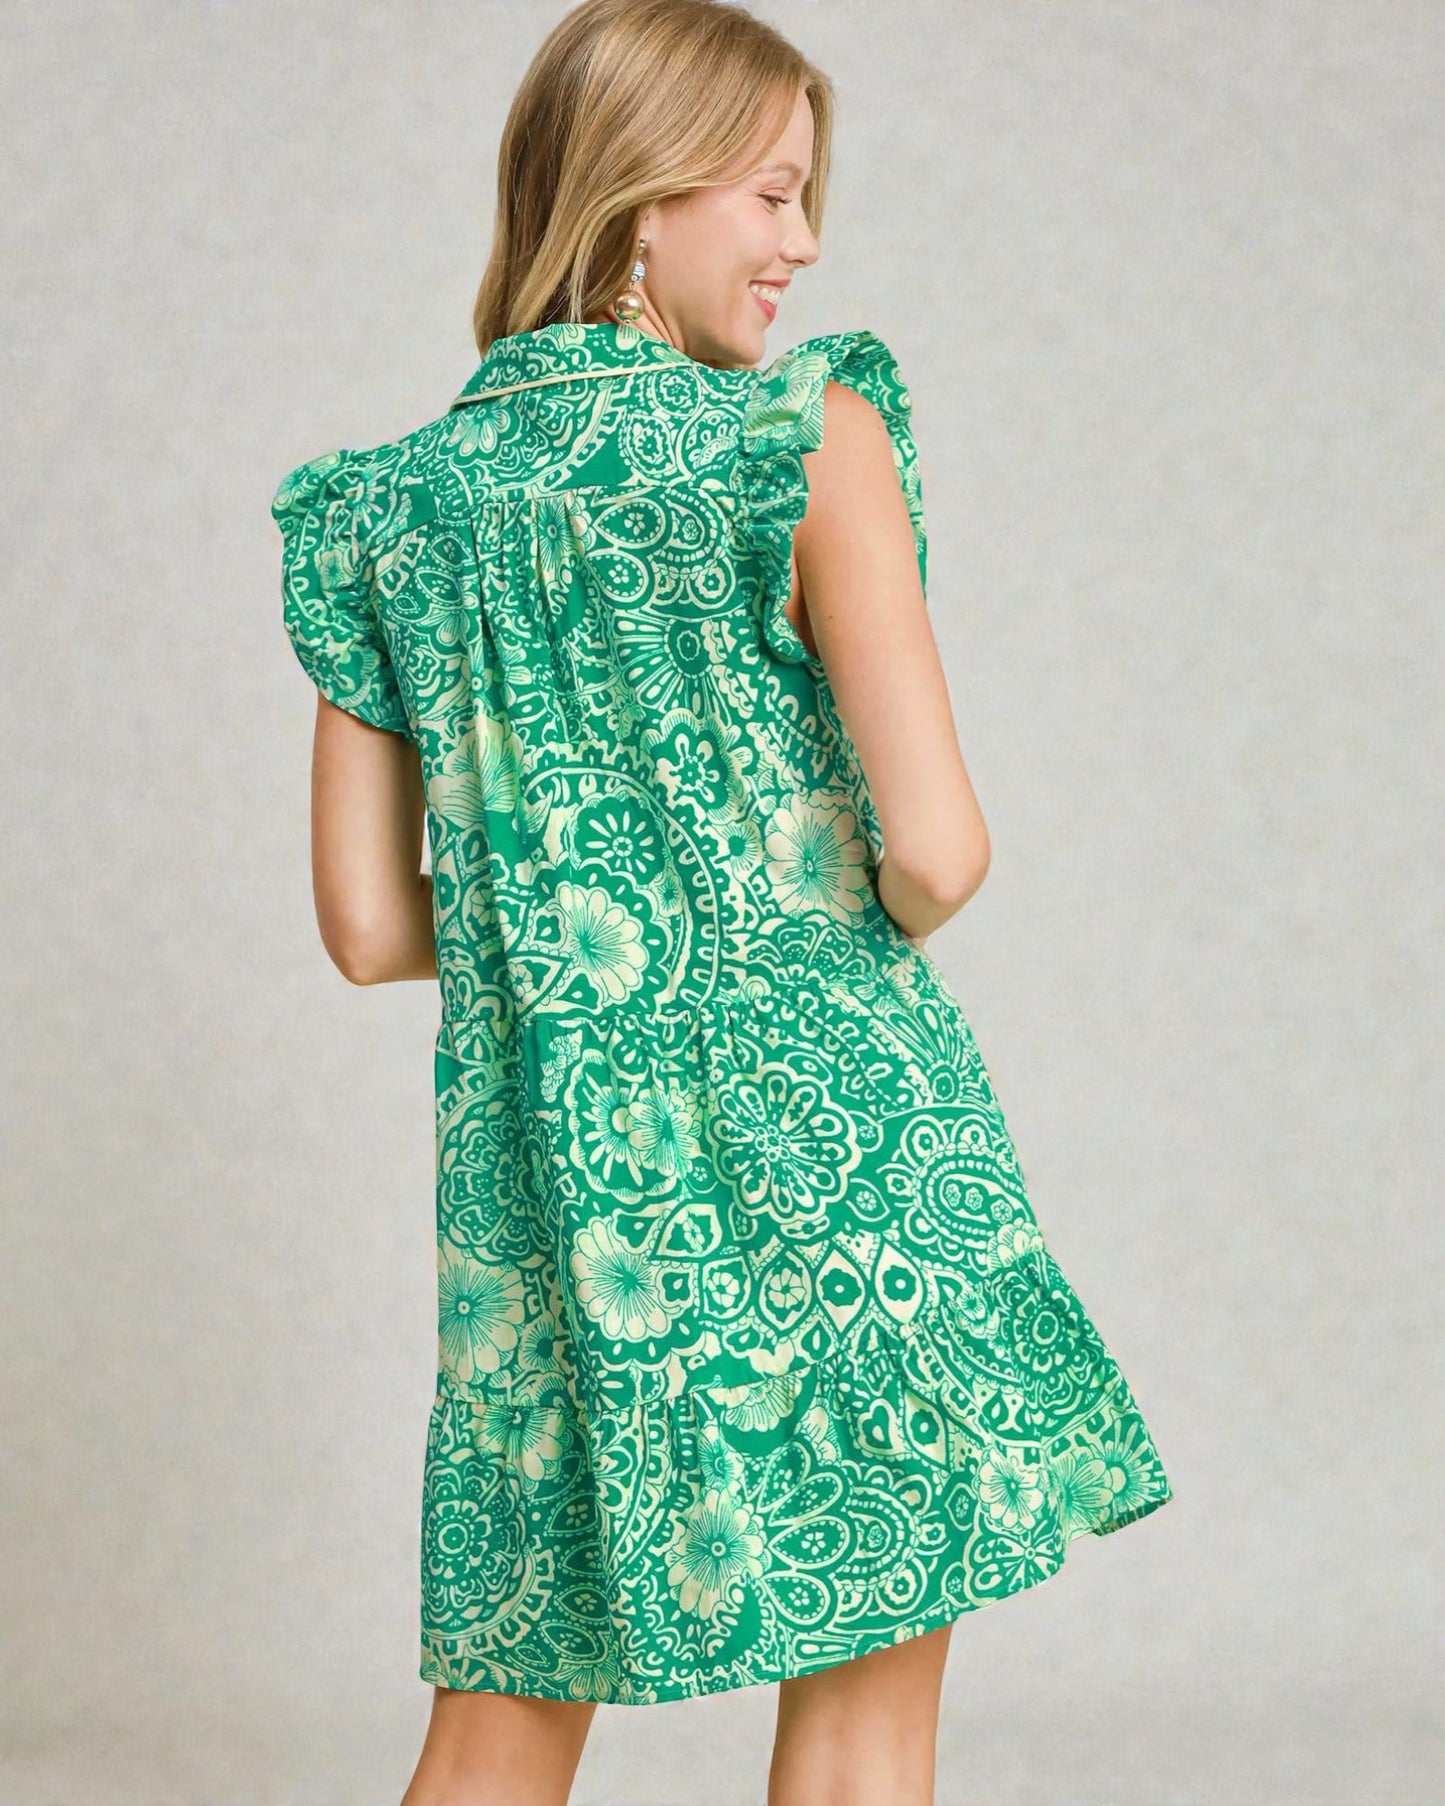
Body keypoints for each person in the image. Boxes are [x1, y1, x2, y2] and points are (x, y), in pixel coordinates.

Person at [270, 2, 1174, 1801]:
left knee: (504, 1715)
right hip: (840, 1144)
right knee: (858, 1707)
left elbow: (371, 927)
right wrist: (743, 900)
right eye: (770, 192)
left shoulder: (384, 511)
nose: (802, 241)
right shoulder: (795, 433)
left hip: (555, 1190)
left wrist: (572, 913)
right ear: (635, 202)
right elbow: (937, 848)